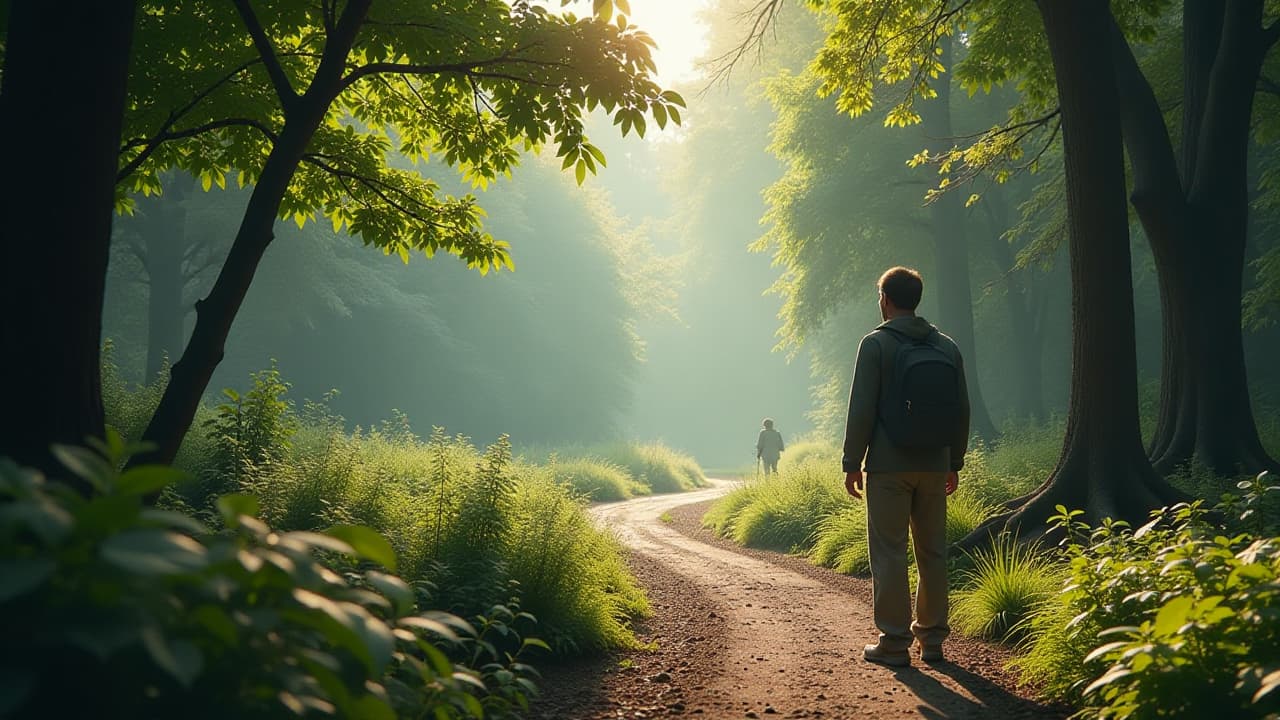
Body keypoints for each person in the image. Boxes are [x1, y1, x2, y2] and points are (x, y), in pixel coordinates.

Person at [842, 266, 970, 667]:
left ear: (885, 298)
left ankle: (894, 643)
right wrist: (954, 461)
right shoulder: (946, 346)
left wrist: (852, 461)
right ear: (916, 299)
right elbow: (961, 410)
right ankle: (932, 642)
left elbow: (861, 408)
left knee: (889, 553)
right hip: (935, 464)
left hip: (889, 466)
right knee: (933, 552)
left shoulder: (876, 345)